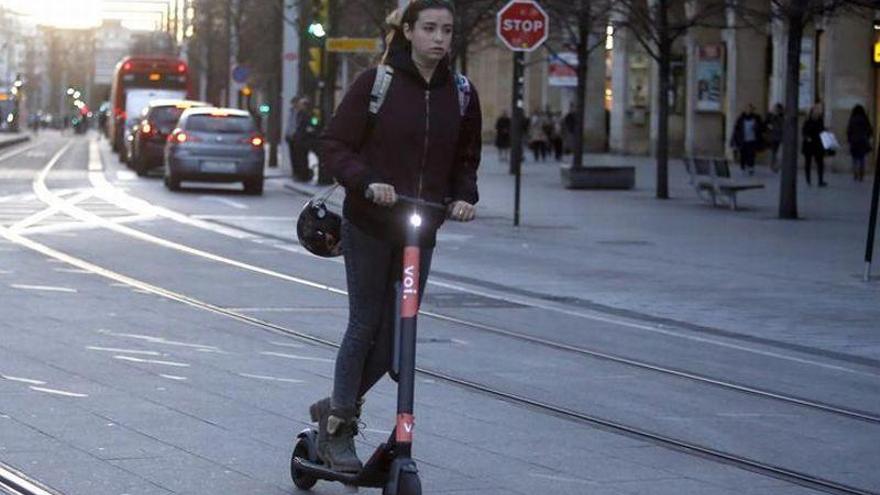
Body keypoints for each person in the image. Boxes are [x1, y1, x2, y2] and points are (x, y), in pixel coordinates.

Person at [314, 0, 481, 473]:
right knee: (365, 323)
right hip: (369, 222)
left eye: (447, 30)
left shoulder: (463, 93)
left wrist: (463, 196)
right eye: (429, 28)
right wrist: (367, 180)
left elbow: (466, 158)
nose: (439, 38)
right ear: (408, 31)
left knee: (397, 337)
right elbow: (334, 144)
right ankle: (338, 430)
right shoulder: (377, 83)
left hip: (420, 228)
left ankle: (334, 404)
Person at [286, 96, 316, 182]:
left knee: (302, 158)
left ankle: (303, 175)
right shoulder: (296, 113)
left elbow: (308, 127)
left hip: (302, 139)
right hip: (296, 138)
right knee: (297, 158)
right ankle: (299, 174)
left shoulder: (305, 114)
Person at [730, 104, 764, 176]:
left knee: (751, 155)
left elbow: (761, 128)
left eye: (751, 109)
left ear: (753, 110)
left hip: (752, 140)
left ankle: (751, 168)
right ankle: (743, 168)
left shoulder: (756, 118)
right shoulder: (741, 118)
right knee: (743, 154)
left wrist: (757, 128)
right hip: (743, 140)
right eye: (748, 109)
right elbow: (736, 129)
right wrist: (734, 140)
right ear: (745, 110)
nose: (749, 110)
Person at [802, 103, 827, 187]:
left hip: (818, 144)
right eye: (815, 112)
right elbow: (804, 132)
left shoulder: (820, 121)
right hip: (809, 144)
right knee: (808, 162)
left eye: (818, 112)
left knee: (820, 163)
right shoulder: (808, 121)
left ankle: (820, 180)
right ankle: (808, 179)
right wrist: (807, 137)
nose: (816, 113)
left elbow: (822, 131)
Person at [847, 104, 873, 182]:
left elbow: (849, 131)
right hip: (862, 141)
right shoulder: (865, 119)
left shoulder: (852, 119)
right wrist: (867, 137)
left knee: (854, 159)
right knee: (862, 158)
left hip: (854, 141)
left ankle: (855, 173)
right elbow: (870, 130)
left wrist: (849, 139)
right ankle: (861, 175)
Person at [765, 103, 784, 172]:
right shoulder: (770, 116)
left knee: (778, 153)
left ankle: (776, 166)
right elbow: (766, 124)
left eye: (777, 109)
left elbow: (782, 126)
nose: (775, 110)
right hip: (773, 137)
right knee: (773, 152)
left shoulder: (782, 117)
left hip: (780, 137)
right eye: (775, 109)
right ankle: (773, 166)